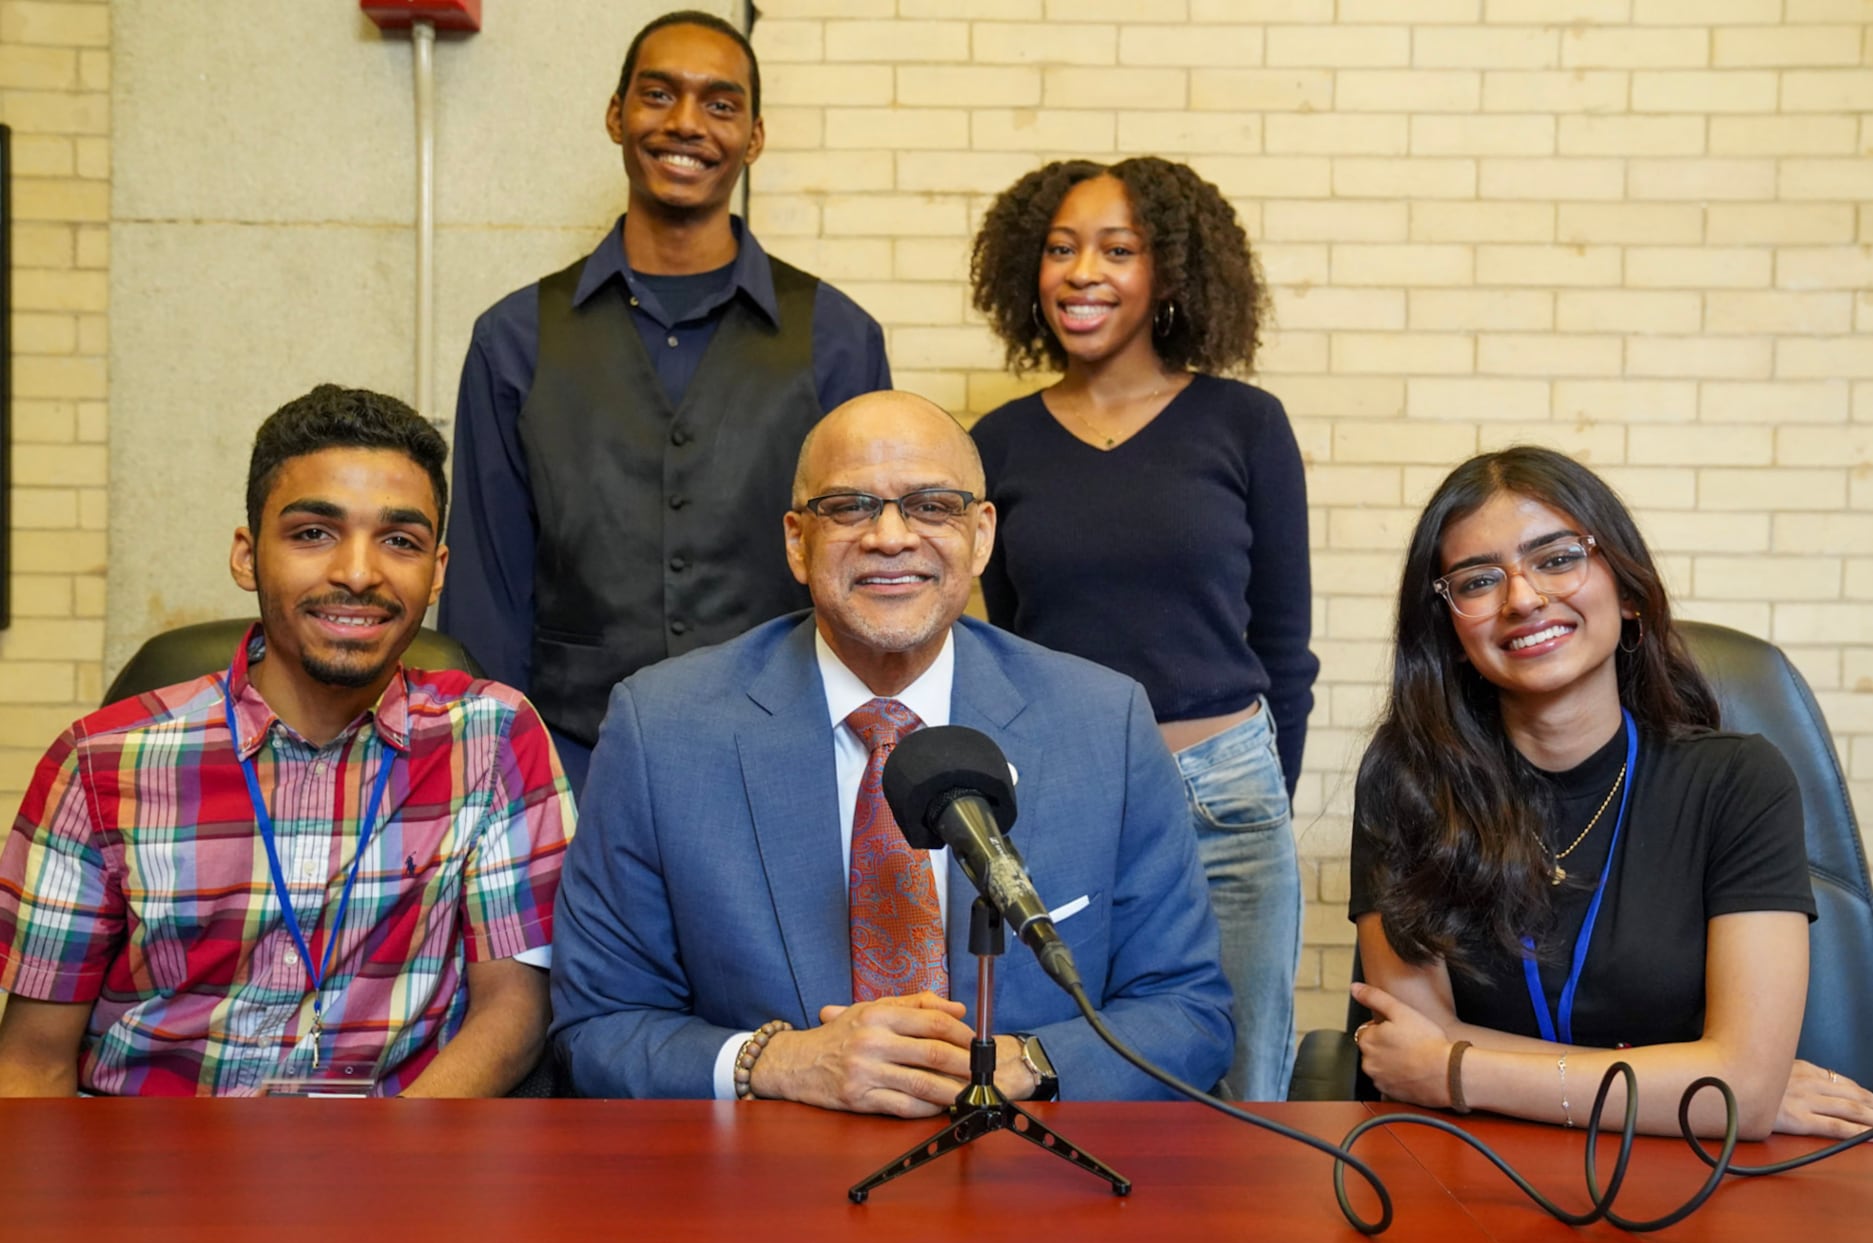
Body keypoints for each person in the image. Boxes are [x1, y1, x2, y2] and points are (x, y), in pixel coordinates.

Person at [550, 391, 1232, 1114]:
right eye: (847, 507)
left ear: (981, 534)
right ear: (794, 540)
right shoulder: (663, 729)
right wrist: (778, 1061)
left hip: (1025, 1180)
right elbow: (599, 1027)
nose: (890, 537)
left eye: (932, 505)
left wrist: (1027, 1062)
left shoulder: (1103, 724)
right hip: (771, 1183)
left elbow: (1188, 1010)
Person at [0, 385, 575, 1097]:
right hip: (148, 1172)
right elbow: (33, 1060)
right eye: (313, 533)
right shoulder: (101, 762)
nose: (358, 573)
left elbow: (513, 1012)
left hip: (397, 1168)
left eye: (400, 541)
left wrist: (385, 1166)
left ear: (437, 574)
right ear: (246, 556)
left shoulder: (491, 738)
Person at [1347, 446, 1873, 1139]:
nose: (1523, 598)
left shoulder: (1739, 780)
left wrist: (1457, 1070)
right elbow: (1409, 1044)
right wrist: (1686, 1090)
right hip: (1467, 1166)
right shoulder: (1407, 778)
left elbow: (1740, 1088)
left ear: (1626, 590)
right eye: (1477, 581)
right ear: (1448, 629)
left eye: (1557, 559)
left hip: (1680, 1181)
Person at [440, 10, 890, 797]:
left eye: (720, 104)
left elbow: (871, 573)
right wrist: (494, 783)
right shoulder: (514, 338)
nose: (686, 123)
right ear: (616, 114)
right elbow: (488, 588)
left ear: (753, 136)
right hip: (571, 763)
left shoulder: (839, 338)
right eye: (658, 94)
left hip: (784, 759)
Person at [968, 157, 1317, 1101]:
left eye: (1117, 250)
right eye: (1060, 249)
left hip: (1227, 798)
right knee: (1079, 1073)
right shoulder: (997, 444)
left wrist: (1261, 794)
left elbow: (1284, 644)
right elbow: (1009, 643)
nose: (1082, 272)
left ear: (1167, 273)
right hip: (1064, 792)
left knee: (1243, 1083)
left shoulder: (1244, 424)